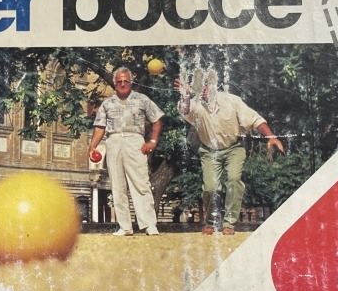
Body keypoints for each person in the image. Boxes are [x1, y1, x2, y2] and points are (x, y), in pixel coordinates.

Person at [176, 77, 284, 235]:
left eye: (207, 85)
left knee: (234, 180)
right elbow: (184, 110)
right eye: (201, 86)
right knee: (211, 188)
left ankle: (229, 223)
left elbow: (255, 119)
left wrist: (271, 137)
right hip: (209, 151)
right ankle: (211, 222)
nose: (204, 89)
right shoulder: (195, 104)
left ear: (215, 86)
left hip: (234, 148)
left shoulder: (232, 100)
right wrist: (185, 96)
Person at [87, 67, 163, 236]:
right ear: (115, 83)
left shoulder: (142, 99)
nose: (122, 84)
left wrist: (152, 141)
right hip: (113, 141)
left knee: (141, 183)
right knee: (117, 185)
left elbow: (157, 119)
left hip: (135, 140)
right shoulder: (107, 104)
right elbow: (100, 127)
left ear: (131, 82)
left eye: (126, 81)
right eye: (119, 81)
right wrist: (92, 146)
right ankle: (125, 226)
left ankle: (149, 224)